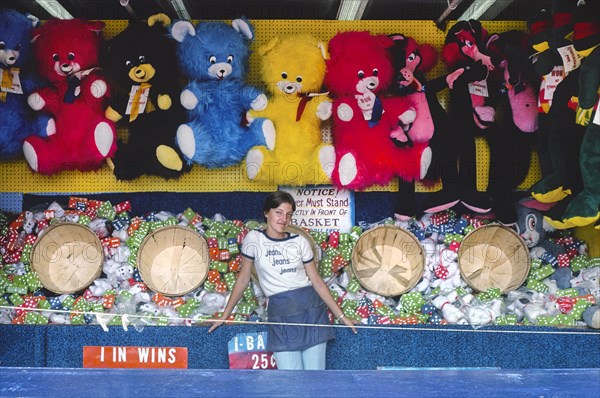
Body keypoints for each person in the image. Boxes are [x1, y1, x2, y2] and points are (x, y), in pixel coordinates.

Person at [208, 190, 357, 370]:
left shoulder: (299, 241)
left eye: (288, 215)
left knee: (316, 380)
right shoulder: (254, 239)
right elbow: (242, 280)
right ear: (266, 213)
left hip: (312, 312)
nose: (283, 219)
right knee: (290, 382)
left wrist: (342, 317)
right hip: (280, 314)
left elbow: (317, 281)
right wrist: (225, 315)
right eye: (278, 212)